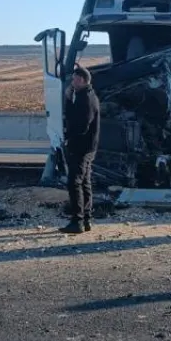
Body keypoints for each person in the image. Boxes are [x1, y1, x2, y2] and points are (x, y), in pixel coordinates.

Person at [60, 66, 100, 234]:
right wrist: (69, 99)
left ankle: (77, 221)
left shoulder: (86, 99)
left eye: (75, 79)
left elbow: (80, 125)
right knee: (85, 182)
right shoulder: (86, 96)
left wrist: (67, 137)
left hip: (81, 147)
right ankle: (87, 219)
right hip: (87, 146)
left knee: (74, 182)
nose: (72, 82)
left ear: (83, 80)